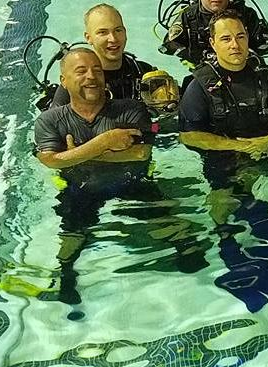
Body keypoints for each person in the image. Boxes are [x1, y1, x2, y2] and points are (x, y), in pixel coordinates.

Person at [35, 49, 202, 307]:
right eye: (81, 71)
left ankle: (192, 268)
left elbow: (139, 154)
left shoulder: (130, 109)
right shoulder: (49, 120)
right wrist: (106, 142)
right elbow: (48, 160)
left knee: (182, 237)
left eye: (97, 70)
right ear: (64, 80)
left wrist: (76, 154)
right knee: (71, 233)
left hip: (131, 182)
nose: (91, 76)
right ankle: (66, 274)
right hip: (82, 188)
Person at [178, 10, 268, 312]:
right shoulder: (199, 85)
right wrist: (236, 146)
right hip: (226, 162)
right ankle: (229, 249)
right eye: (226, 38)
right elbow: (190, 136)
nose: (235, 45)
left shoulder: (263, 75)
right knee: (225, 205)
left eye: (240, 36)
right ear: (212, 44)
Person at [48, 4, 178, 113]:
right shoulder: (76, 84)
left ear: (125, 32)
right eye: (103, 32)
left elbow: (163, 122)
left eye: (118, 30)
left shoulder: (144, 72)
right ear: (88, 38)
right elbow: (52, 131)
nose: (113, 39)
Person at [160, 0, 268, 67]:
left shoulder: (244, 14)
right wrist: (196, 57)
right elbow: (168, 46)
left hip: (243, 69)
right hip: (206, 72)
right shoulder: (189, 16)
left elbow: (264, 45)